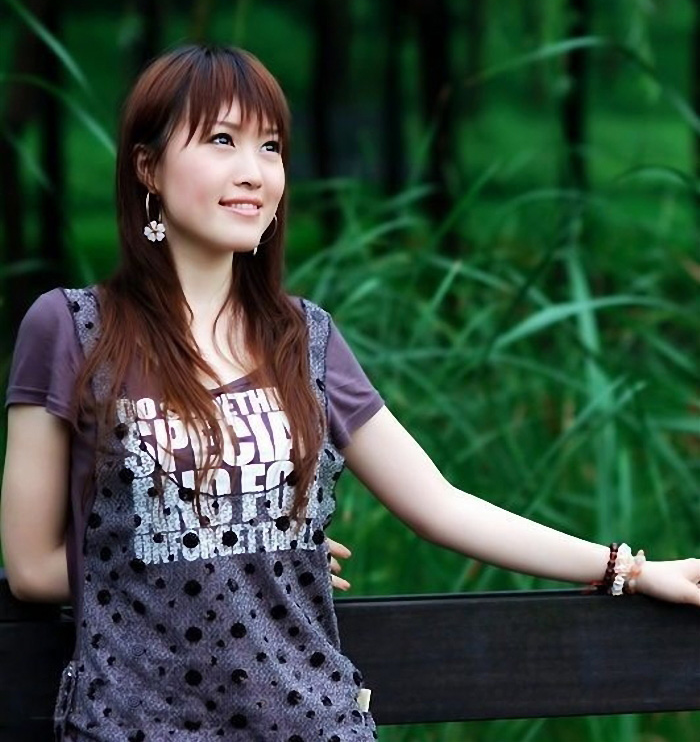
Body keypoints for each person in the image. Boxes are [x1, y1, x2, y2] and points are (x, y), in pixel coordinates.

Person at [2, 44, 698, 742]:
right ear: (147, 167)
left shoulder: (303, 337)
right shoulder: (72, 330)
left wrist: (628, 569)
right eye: (221, 140)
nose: (253, 172)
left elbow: (440, 504)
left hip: (312, 721)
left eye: (270, 146)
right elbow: (31, 568)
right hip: (138, 725)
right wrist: (233, 549)